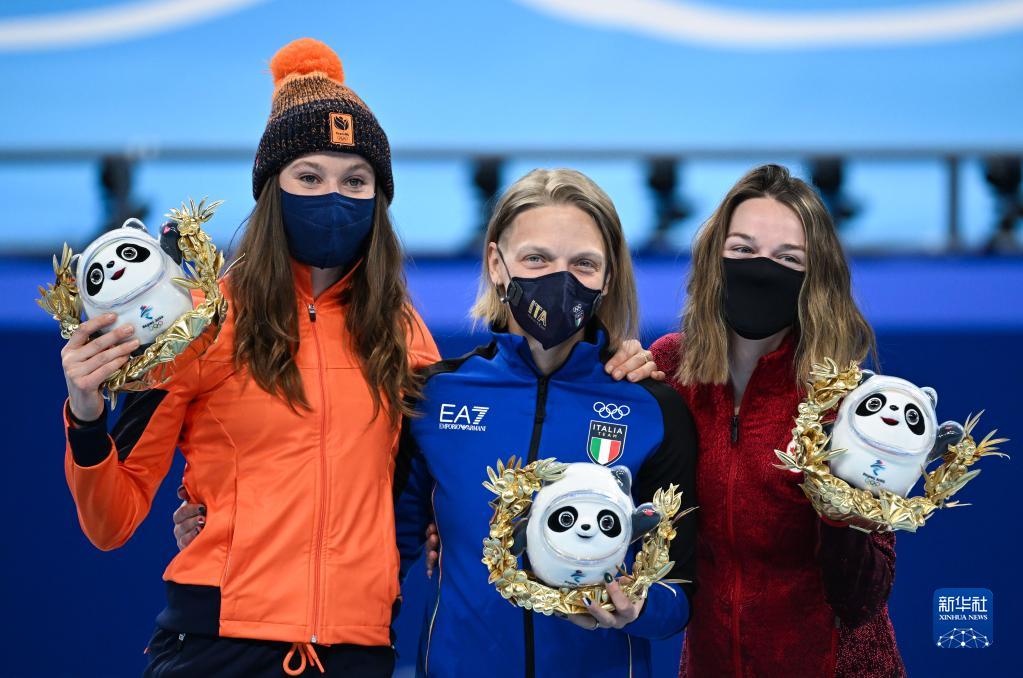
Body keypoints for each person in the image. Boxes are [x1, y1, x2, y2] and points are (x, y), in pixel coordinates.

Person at [60, 38, 441, 677]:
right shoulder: (201, 323)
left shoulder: (402, 335)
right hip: (218, 648)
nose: (334, 196)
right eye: (309, 177)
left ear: (380, 198)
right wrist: (86, 412)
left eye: (356, 180)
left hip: (357, 651)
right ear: (272, 190)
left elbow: (428, 491)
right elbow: (111, 519)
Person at [393, 168, 698, 677]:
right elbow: (385, 554)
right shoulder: (436, 396)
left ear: (608, 277)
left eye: (583, 263)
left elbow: (680, 590)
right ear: (497, 263)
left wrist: (637, 608)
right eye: (536, 258)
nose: (560, 279)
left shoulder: (651, 408)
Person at [647, 164, 903, 677]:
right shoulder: (671, 368)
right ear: (713, 257)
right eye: (742, 250)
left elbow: (863, 596)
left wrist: (839, 506)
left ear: (817, 279)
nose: (762, 269)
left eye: (788, 258)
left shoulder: (848, 399)